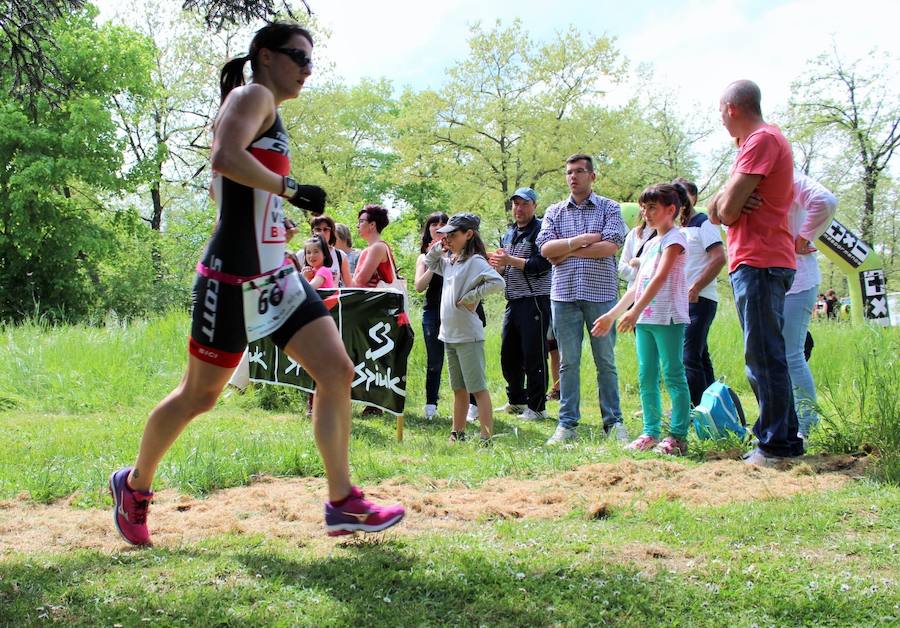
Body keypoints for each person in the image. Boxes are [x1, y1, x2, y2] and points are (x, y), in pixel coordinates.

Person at [108, 23, 404, 546]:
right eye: (299, 57)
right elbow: (223, 159)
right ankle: (133, 485)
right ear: (265, 57)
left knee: (336, 371)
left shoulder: (264, 109)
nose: (308, 69)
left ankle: (341, 501)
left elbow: (226, 192)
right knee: (197, 397)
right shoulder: (252, 94)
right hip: (229, 276)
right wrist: (290, 189)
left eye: (313, 61)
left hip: (276, 275)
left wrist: (274, 220)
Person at [708, 79, 803, 466]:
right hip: (757, 259)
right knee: (763, 354)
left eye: (720, 113)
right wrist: (728, 198)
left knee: (764, 355)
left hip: (762, 259)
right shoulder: (749, 147)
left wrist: (729, 201)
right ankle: (785, 439)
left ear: (731, 109)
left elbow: (727, 213)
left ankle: (775, 445)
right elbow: (717, 208)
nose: (721, 121)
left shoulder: (762, 140)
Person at [592, 184, 691, 455]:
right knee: (646, 375)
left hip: (668, 317)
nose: (646, 213)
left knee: (672, 374)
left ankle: (678, 436)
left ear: (670, 210)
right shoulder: (651, 243)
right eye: (644, 208)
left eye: (652, 208)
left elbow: (660, 278)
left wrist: (634, 312)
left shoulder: (675, 239)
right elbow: (637, 285)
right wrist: (613, 315)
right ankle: (650, 432)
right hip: (646, 319)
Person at [536, 154, 628, 445]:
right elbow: (545, 249)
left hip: (601, 295)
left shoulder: (610, 207)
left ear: (592, 176)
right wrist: (581, 240)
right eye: (568, 173)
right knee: (568, 363)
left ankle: (613, 422)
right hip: (563, 296)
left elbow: (611, 246)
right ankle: (567, 424)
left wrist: (566, 252)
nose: (573, 177)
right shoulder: (554, 211)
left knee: (606, 361)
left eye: (578, 172)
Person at [424, 213, 504, 444]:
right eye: (445, 235)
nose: (447, 238)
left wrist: (472, 296)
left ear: (469, 234)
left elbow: (498, 282)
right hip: (449, 334)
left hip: (468, 335)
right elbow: (429, 263)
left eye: (453, 234)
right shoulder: (450, 261)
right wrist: (438, 249)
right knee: (458, 388)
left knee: (477, 388)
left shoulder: (475, 262)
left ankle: (486, 437)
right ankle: (457, 433)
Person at [489, 187, 553, 421]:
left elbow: (541, 265)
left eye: (524, 204)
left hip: (535, 300)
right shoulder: (508, 234)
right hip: (513, 301)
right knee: (509, 354)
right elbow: (505, 267)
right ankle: (516, 400)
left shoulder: (542, 230)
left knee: (534, 355)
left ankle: (537, 407)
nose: (519, 208)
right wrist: (498, 265)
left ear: (534, 206)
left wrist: (510, 260)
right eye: (516, 204)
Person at [783, 171, 837, 441]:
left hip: (798, 281)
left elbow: (825, 201)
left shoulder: (789, 177)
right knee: (770, 357)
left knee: (792, 354)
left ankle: (806, 424)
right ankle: (782, 421)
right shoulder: (747, 177)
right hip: (765, 281)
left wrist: (803, 237)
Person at [672, 178, 726, 407]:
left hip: (700, 300)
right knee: (700, 357)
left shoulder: (704, 223)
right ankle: (713, 410)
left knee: (688, 358)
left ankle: (694, 410)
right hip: (679, 301)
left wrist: (696, 287)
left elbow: (719, 258)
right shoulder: (677, 228)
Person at [414, 211, 450, 420]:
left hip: (455, 310)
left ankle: (471, 405)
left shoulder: (456, 253)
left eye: (443, 223)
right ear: (428, 229)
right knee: (434, 360)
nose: (438, 226)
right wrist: (434, 262)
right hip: (432, 311)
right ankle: (430, 406)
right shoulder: (423, 257)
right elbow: (419, 286)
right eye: (434, 223)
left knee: (462, 359)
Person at [352, 204, 397, 288]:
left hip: (380, 300)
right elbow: (356, 281)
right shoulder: (367, 250)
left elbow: (360, 280)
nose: (357, 226)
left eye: (361, 221)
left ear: (372, 225)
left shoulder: (378, 247)